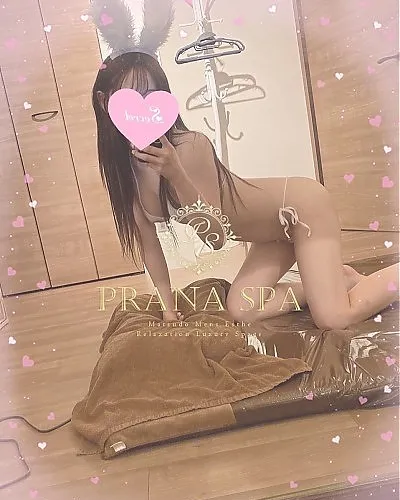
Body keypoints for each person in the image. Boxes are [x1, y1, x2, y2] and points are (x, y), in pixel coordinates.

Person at [90, 0, 399, 328]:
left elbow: (216, 237)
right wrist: (168, 309)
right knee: (241, 310)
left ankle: (336, 292)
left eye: (150, 95)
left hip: (300, 210)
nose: (141, 108)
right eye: (130, 97)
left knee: (333, 318)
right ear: (104, 102)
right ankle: (338, 281)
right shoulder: (124, 173)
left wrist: (176, 174)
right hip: (272, 234)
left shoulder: (189, 147)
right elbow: (150, 246)